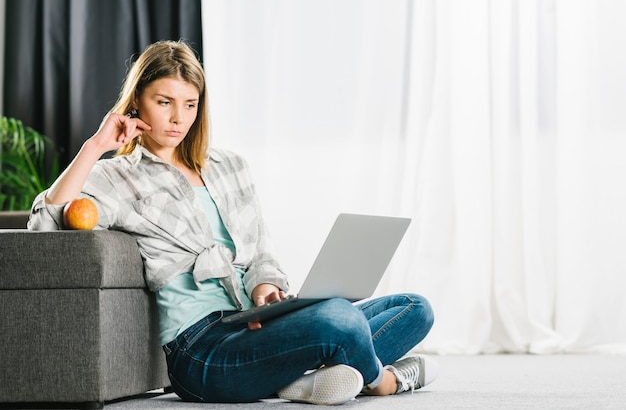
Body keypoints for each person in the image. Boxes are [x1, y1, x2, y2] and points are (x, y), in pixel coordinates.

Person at [28, 40, 438, 405]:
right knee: (341, 319)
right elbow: (44, 226)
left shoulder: (229, 166)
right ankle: (382, 381)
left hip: (254, 323)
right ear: (136, 101)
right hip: (201, 350)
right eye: (163, 101)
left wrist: (265, 288)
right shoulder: (118, 177)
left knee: (414, 308)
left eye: (189, 104)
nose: (178, 118)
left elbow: (261, 251)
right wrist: (97, 144)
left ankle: (297, 375)